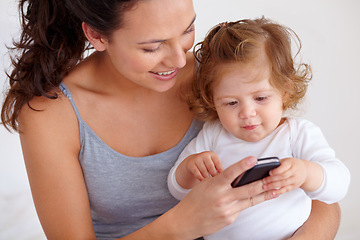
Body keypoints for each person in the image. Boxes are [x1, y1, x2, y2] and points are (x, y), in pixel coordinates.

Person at [0, 0, 341, 239]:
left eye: (187, 30)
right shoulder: (52, 111)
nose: (179, 59)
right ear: (97, 36)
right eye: (152, 47)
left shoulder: (219, 80)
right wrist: (183, 225)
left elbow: (321, 196)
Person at [168, 17, 350, 240]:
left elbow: (339, 184)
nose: (247, 113)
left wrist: (306, 173)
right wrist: (188, 171)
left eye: (261, 98)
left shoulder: (297, 134)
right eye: (231, 103)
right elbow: (177, 192)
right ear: (212, 100)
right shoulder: (213, 135)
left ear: (284, 91)